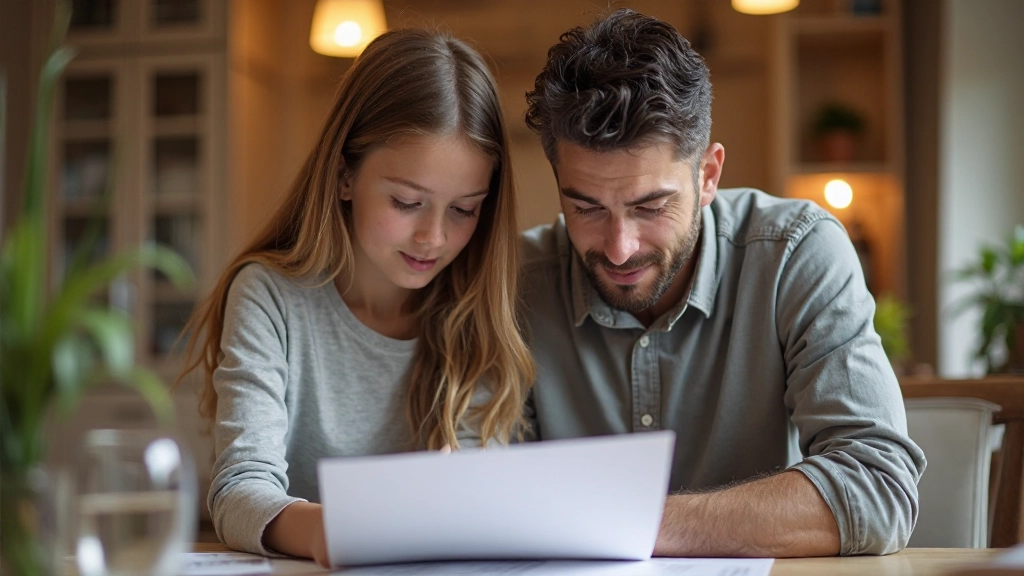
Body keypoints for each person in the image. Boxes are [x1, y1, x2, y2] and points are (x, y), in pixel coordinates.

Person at [520, 9, 925, 557]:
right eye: (585, 207)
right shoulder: (516, 283)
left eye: (651, 206)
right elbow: (479, 494)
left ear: (708, 175)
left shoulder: (794, 254)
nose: (620, 247)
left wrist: (632, 522)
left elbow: (877, 490)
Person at [176, 29, 534, 566]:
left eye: (464, 210)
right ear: (344, 175)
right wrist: (345, 529)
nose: (434, 238)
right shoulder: (269, 297)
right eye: (407, 201)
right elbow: (238, 493)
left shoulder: (475, 310)